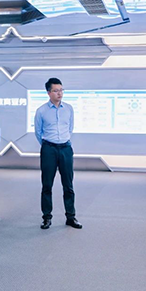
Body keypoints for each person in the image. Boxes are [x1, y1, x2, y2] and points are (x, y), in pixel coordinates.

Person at [34, 78, 81, 230]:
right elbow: (38, 132)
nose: (59, 93)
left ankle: (71, 217)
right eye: (56, 91)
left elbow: (70, 128)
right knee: (47, 185)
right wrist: (49, 145)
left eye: (61, 90)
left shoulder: (69, 108)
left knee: (68, 185)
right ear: (48, 93)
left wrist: (62, 141)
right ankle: (46, 218)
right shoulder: (41, 111)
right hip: (49, 149)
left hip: (66, 148)